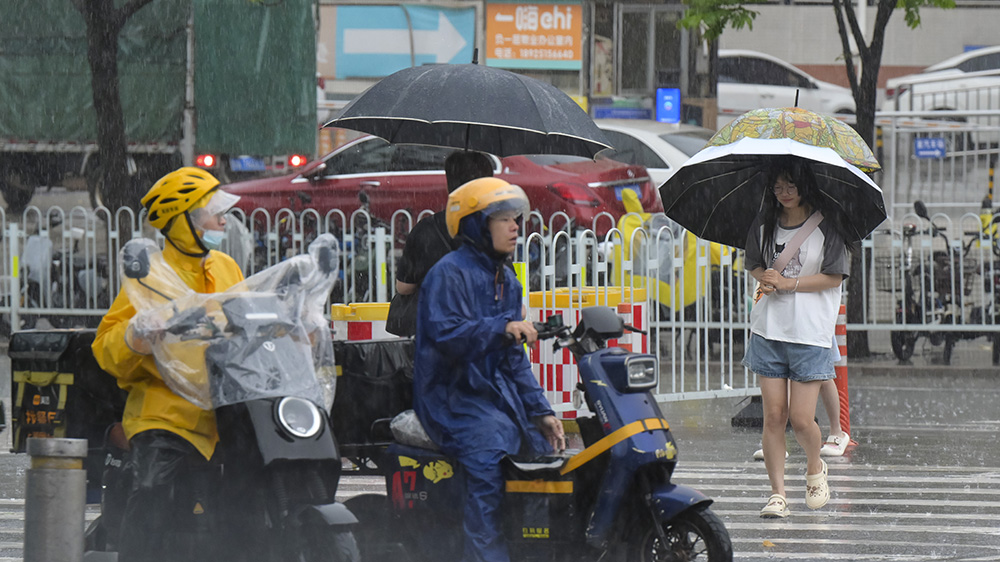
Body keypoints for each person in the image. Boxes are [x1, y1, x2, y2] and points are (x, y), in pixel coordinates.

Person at [92, 167, 244, 561]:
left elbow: (246, 322)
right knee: (153, 501)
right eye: (214, 213)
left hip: (221, 415)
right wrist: (135, 334)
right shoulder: (150, 276)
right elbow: (106, 346)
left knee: (236, 510)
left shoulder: (226, 267)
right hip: (164, 416)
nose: (223, 221)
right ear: (184, 223)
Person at [412, 177, 565, 562]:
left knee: (541, 457)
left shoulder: (507, 280)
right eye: (503, 219)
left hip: (493, 396)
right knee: (491, 464)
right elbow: (447, 336)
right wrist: (501, 328)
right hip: (452, 398)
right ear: (475, 224)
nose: (515, 227)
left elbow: (514, 359)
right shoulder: (448, 274)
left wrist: (541, 411)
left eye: (516, 218)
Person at [742, 157, 851, 519]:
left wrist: (790, 283)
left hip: (809, 333)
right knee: (774, 415)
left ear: (804, 185)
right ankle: (777, 494)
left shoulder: (827, 225)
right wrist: (766, 278)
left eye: (790, 185)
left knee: (802, 420)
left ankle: (815, 467)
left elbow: (834, 276)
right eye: (777, 186)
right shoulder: (764, 223)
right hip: (768, 330)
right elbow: (754, 263)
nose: (783, 193)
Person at [388, 150, 494, 336]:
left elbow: (404, 287)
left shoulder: (425, 229)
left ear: (449, 185)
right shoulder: (493, 231)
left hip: (430, 337)